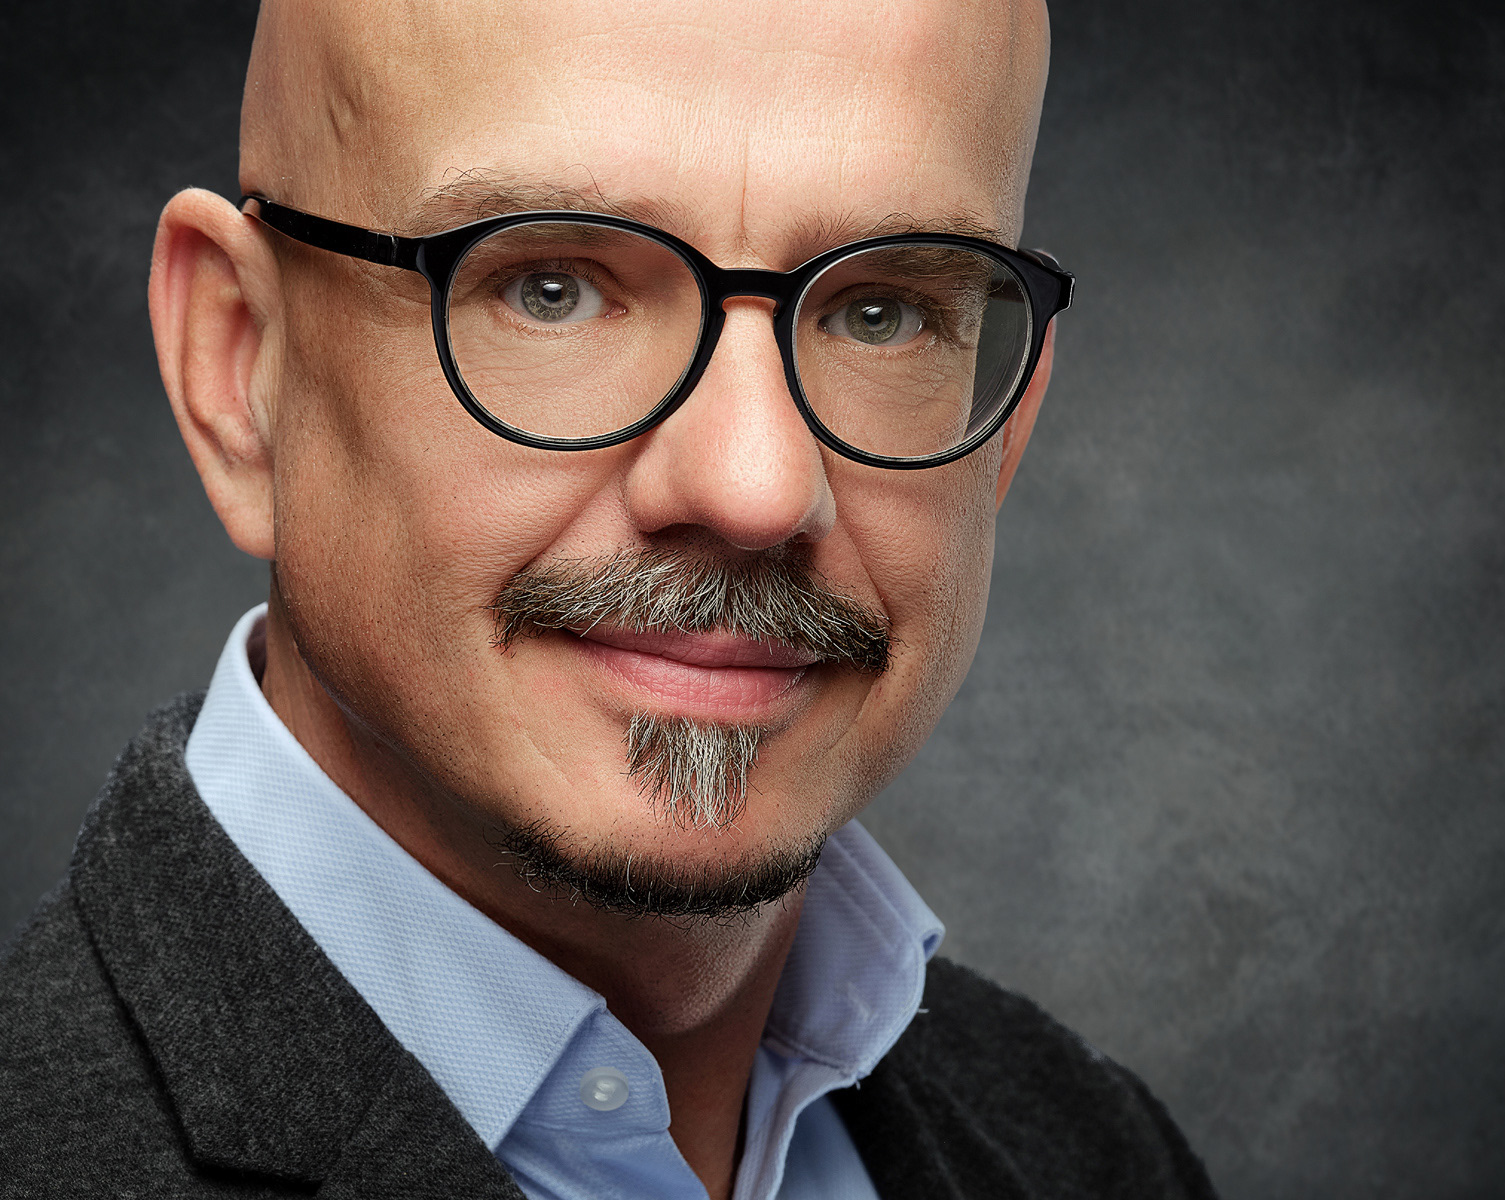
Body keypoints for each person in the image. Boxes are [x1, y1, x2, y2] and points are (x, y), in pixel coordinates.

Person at [0, 1, 1216, 1196]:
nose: (754, 487)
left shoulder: (1099, 1154)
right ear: (240, 371)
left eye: (881, 312)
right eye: (551, 288)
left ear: (1001, 434)